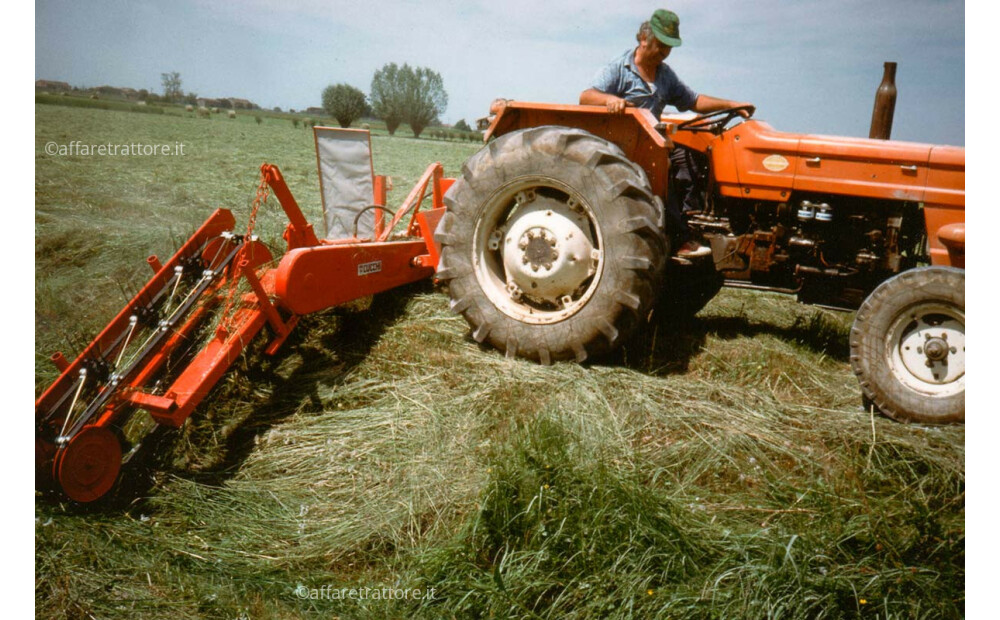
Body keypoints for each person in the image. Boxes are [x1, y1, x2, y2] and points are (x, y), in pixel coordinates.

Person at [580, 9, 754, 258]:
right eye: (661, 45)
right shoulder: (619, 68)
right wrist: (610, 100)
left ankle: (693, 219)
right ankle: (679, 238)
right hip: (625, 145)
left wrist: (731, 105)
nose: (664, 52)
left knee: (691, 155)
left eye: (669, 47)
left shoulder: (665, 74)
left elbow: (693, 100)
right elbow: (586, 96)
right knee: (665, 163)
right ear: (643, 39)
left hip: (652, 140)